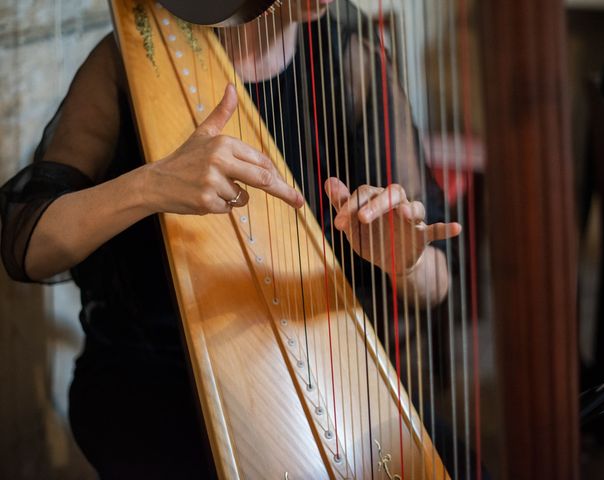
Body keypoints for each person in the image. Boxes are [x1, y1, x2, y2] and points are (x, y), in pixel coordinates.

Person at [0, 1, 461, 478]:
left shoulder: (351, 61)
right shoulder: (128, 58)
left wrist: (404, 261)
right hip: (153, 376)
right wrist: (149, 185)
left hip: (320, 363)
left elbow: (438, 283)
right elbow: (26, 245)